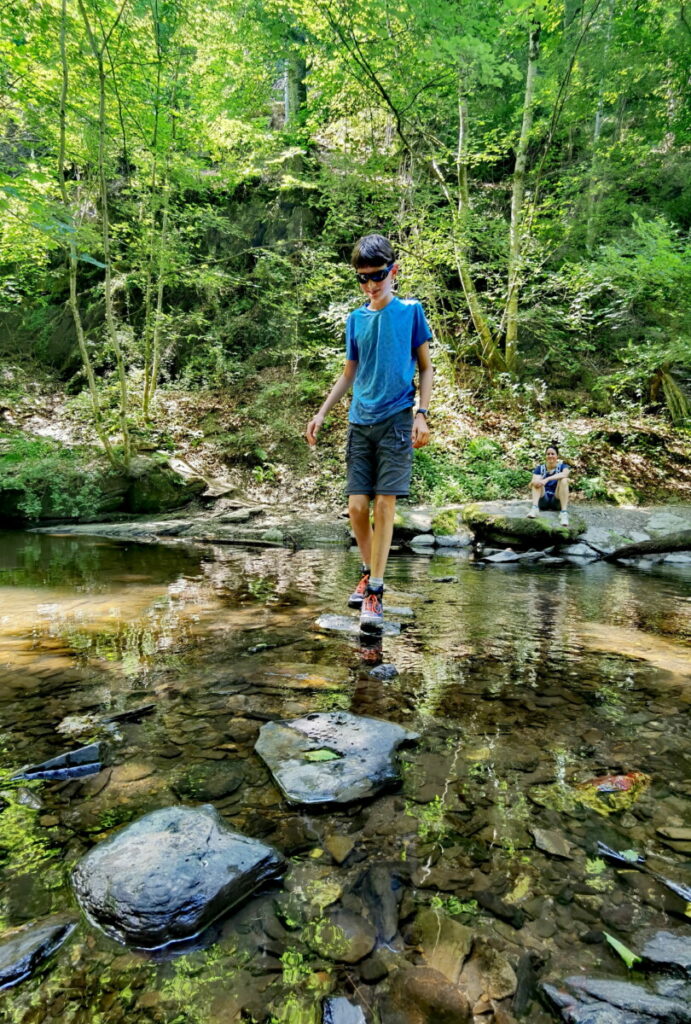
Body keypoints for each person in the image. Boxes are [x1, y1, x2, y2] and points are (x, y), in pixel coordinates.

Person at [305, 234, 433, 631]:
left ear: (393, 271)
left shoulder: (411, 312)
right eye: (362, 278)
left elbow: (426, 367)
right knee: (357, 508)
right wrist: (323, 413)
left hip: (396, 418)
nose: (370, 284)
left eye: (377, 275)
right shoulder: (355, 319)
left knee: (384, 506)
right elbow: (349, 373)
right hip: (360, 421)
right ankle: (366, 570)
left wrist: (422, 413)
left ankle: (375, 590)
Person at [528, 445, 570, 526]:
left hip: (557, 500)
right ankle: (535, 508)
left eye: (552, 454)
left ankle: (564, 513)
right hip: (543, 500)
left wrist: (547, 479)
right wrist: (535, 482)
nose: (550, 456)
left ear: (557, 456)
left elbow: (565, 474)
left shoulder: (563, 467)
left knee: (564, 480)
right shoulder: (540, 468)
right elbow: (531, 484)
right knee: (537, 481)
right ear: (545, 456)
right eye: (548, 454)